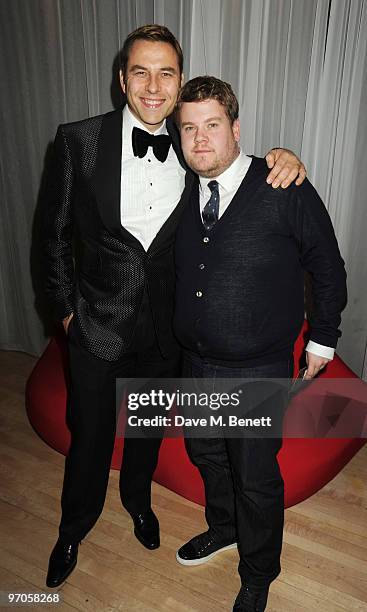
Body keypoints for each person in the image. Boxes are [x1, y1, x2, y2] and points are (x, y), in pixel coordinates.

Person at [41, 24, 306, 588]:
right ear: (122, 80)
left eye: (166, 72)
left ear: (180, 80)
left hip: (167, 335)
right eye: (141, 71)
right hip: (97, 326)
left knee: (146, 432)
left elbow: (238, 166)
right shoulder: (78, 141)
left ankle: (139, 503)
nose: (154, 85)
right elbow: (53, 236)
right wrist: (66, 313)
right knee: (88, 437)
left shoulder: (194, 147)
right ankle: (73, 528)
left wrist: (286, 158)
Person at [173, 76, 347, 611]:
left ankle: (259, 571)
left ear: (236, 129)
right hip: (194, 362)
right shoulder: (178, 188)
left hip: (256, 367)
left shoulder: (283, 185)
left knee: (255, 476)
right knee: (206, 455)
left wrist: (322, 339)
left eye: (212, 126)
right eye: (189, 129)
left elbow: (327, 265)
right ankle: (224, 528)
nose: (200, 141)